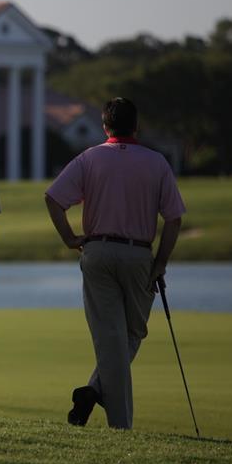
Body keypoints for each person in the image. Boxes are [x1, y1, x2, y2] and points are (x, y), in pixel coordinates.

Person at [44, 97, 186, 429]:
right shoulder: (156, 162)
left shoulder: (88, 158)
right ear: (136, 126)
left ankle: (94, 391)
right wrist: (161, 263)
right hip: (138, 254)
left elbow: (53, 198)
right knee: (131, 334)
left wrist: (69, 238)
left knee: (114, 337)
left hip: (97, 251)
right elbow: (174, 219)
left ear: (105, 126)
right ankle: (120, 425)